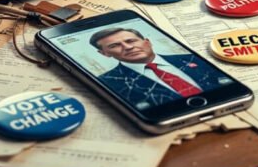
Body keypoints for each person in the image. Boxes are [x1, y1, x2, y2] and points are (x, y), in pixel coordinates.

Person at [90, 27, 225, 107]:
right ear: (104, 53)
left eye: (131, 41)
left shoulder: (192, 58)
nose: (128, 47)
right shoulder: (108, 82)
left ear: (147, 42)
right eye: (114, 46)